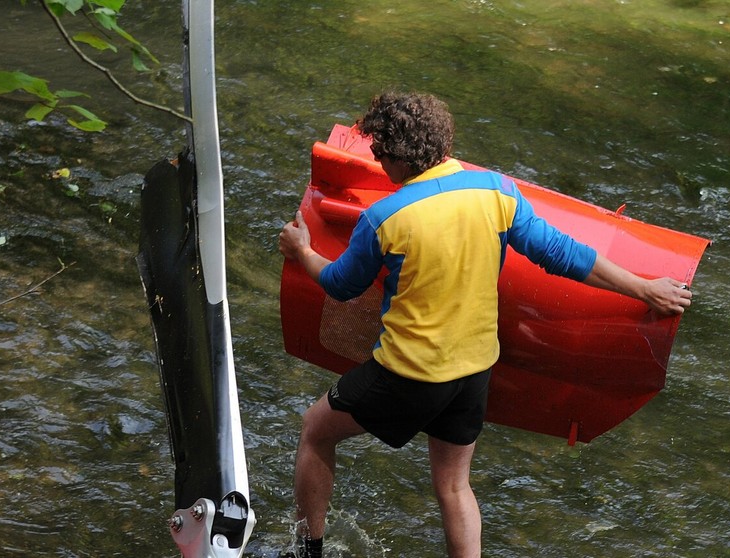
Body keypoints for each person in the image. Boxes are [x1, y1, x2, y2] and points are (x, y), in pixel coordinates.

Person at [278, 91, 692, 558]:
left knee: (316, 429)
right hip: (474, 373)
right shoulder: (499, 192)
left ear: (396, 157)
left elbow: (340, 285)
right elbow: (564, 255)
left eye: (378, 151)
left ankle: (305, 550)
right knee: (454, 488)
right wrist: (643, 288)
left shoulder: (385, 218)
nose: (375, 159)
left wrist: (303, 251)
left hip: (410, 373)